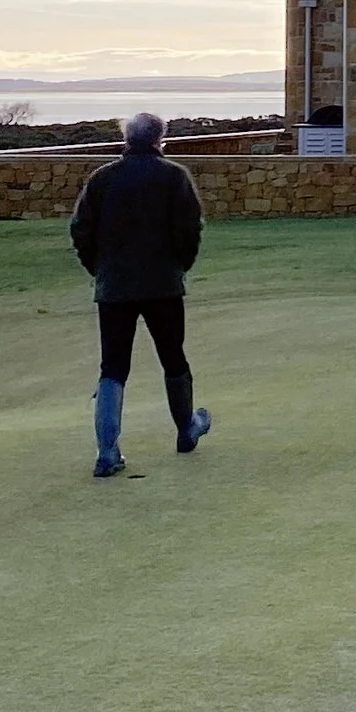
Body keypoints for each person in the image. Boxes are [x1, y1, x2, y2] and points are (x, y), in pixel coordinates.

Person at [70, 112, 211, 478]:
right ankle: (186, 429)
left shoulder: (102, 178)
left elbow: (81, 229)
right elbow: (190, 230)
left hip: (113, 287)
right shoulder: (174, 176)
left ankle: (107, 451)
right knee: (173, 358)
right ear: (159, 139)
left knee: (113, 367)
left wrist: (100, 270)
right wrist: (178, 266)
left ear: (127, 139)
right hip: (163, 285)